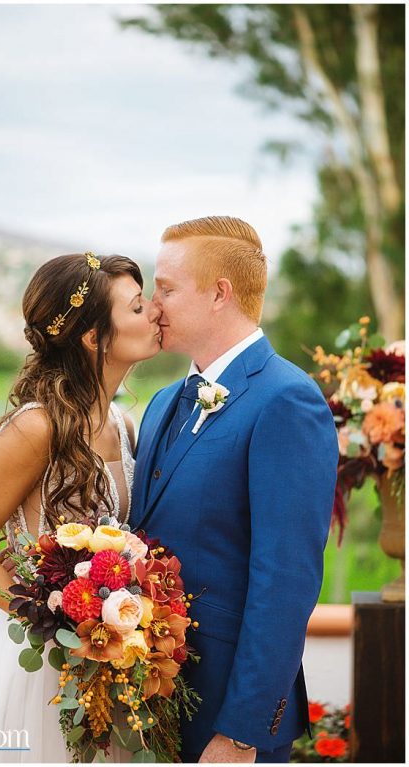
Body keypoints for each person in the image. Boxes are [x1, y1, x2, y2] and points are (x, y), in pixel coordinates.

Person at [0, 252, 162, 762]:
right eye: (138, 308)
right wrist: (48, 623)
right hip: (47, 664)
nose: (155, 315)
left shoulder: (124, 424)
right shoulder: (35, 428)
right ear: (93, 337)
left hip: (116, 657)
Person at [131, 216, 338, 763]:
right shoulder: (159, 405)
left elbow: (286, 580)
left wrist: (242, 731)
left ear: (220, 293)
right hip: (146, 697)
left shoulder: (287, 401)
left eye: (167, 289)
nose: (154, 307)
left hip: (226, 713)